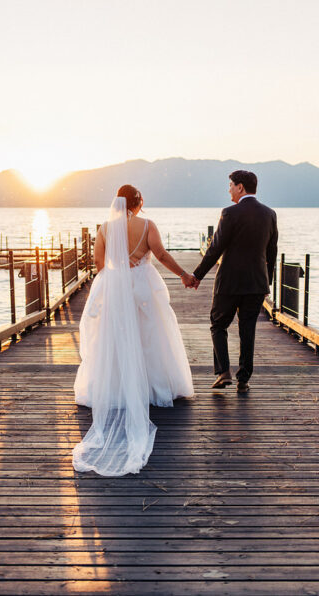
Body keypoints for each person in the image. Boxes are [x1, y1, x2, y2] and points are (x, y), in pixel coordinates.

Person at [73, 184, 195, 476]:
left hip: (116, 289)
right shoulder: (147, 225)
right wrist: (184, 275)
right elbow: (162, 255)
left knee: (116, 339)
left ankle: (117, 387)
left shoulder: (104, 228)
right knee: (151, 336)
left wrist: (119, 267)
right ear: (138, 203)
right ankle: (156, 387)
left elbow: (100, 265)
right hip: (143, 286)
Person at [189, 170, 278, 393]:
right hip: (257, 283)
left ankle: (223, 372)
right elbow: (272, 252)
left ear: (240, 187)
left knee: (218, 325)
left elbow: (215, 248)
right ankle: (243, 380)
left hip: (229, 282)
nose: (228, 189)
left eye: (230, 185)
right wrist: (268, 282)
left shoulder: (229, 213)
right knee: (248, 330)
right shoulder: (269, 214)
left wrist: (197, 275)